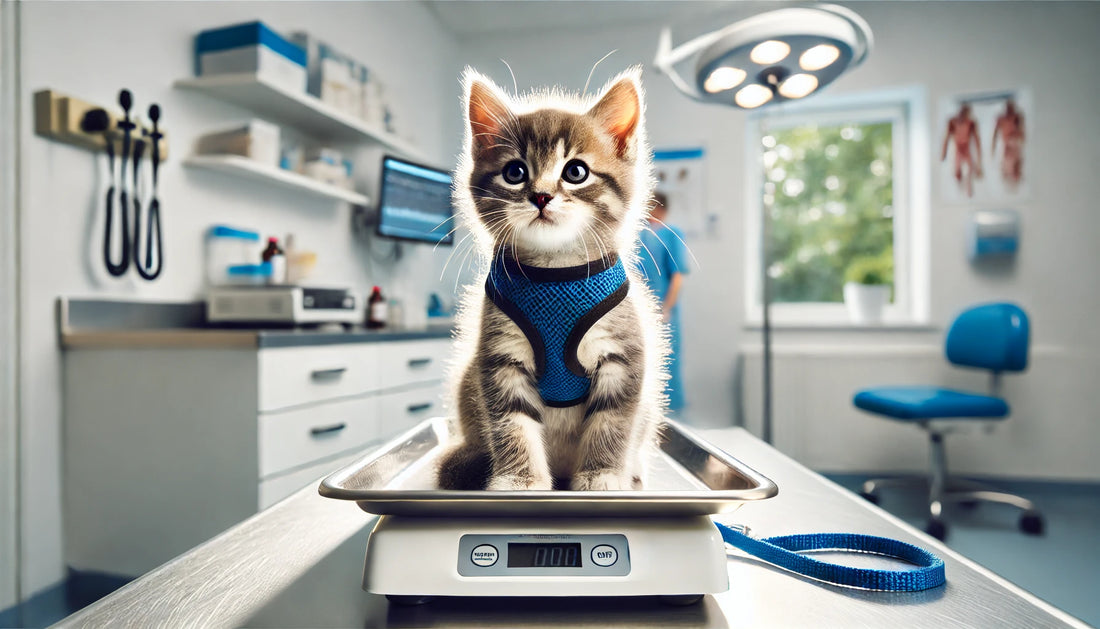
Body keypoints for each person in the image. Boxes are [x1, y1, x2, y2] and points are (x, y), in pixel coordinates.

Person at [637, 192, 691, 413]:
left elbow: (678, 276)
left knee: (666, 363)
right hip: (638, 310)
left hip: (662, 311)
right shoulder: (636, 235)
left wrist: (666, 308)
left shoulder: (671, 234)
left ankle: (672, 418)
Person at [941, 102, 983, 197]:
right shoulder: (952, 121)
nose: (963, 115)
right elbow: (947, 138)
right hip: (958, 149)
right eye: (962, 112)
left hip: (966, 148)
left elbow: (977, 141)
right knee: (958, 173)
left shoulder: (971, 123)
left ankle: (968, 192)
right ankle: (962, 191)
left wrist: (979, 163)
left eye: (966, 112)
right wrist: (944, 153)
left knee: (969, 171)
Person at [993, 99, 1025, 189]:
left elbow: (1022, 133)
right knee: (1010, 162)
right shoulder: (1002, 118)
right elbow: (995, 134)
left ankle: (1010, 176)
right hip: (1011, 145)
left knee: (1009, 164)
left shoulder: (1016, 117)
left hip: (1012, 144)